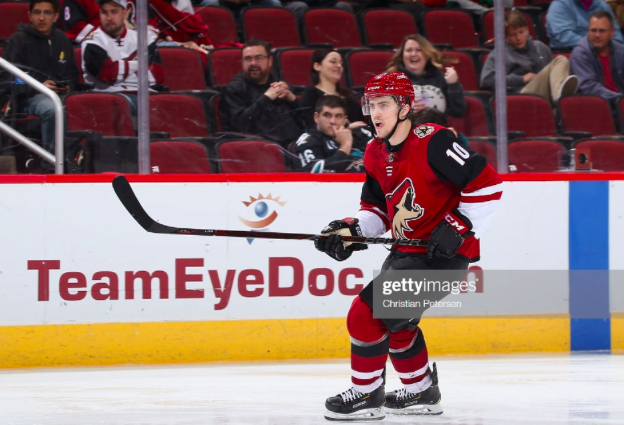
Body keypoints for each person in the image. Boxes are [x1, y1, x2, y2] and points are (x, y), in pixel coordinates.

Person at [315, 71, 502, 421]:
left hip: (442, 259)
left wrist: (457, 226)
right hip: (406, 254)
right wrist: (350, 230)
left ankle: (368, 393)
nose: (375, 113)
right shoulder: (374, 151)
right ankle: (421, 392)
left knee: (365, 316)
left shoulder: (435, 141)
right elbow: (376, 210)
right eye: (371, 105)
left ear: (405, 107)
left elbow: (488, 185)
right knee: (397, 324)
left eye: (384, 105)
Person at [0, 0, 79, 171]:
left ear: (56, 16)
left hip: (59, 94)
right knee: (51, 107)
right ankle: (52, 166)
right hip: (25, 98)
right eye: (37, 12)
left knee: (80, 105)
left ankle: (76, 162)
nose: (41, 18)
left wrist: (65, 86)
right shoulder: (18, 40)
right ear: (29, 15)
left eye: (47, 13)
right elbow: (6, 77)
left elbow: (73, 74)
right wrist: (37, 85)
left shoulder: (62, 39)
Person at [81, 0, 165, 114]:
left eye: (114, 12)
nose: (109, 18)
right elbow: (107, 74)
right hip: (109, 97)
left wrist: (119, 66)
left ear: (125, 13)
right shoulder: (92, 42)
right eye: (104, 12)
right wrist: (140, 65)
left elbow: (157, 75)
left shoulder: (144, 39)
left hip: (145, 95)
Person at [220, 39, 304, 148]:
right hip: (258, 148)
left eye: (258, 58)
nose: (253, 63)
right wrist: (266, 98)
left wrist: (293, 100)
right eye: (248, 59)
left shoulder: (280, 85)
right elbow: (239, 126)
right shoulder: (234, 89)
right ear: (242, 62)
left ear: (270, 61)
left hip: (293, 146)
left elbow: (304, 122)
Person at [480, 10, 579, 103]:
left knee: (562, 60)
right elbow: (487, 80)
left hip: (545, 91)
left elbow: (552, 75)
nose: (518, 38)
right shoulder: (499, 54)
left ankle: (559, 100)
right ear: (506, 37)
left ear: (527, 30)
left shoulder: (540, 47)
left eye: (521, 32)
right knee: (560, 60)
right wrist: (522, 78)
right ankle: (561, 101)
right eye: (513, 35)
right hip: (520, 94)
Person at [386, 34, 467, 119]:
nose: (413, 54)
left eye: (419, 50)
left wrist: (453, 85)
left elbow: (458, 112)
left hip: (436, 129)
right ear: (402, 56)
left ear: (427, 55)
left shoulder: (441, 78)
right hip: (403, 130)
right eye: (409, 50)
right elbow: (380, 111)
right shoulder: (390, 78)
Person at [293, 95, 372, 173]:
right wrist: (345, 145)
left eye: (338, 116)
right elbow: (316, 173)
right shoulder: (308, 141)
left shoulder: (359, 133)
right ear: (316, 117)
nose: (333, 121)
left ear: (344, 120)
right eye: (327, 115)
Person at [300, 49, 365, 130]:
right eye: (333, 62)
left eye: (341, 63)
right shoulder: (310, 93)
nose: (339, 66)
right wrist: (348, 128)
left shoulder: (348, 95)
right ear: (317, 66)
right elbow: (313, 127)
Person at [570, 11, 624, 103]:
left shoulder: (620, 50)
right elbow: (589, 87)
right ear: (588, 31)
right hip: (597, 106)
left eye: (602, 31)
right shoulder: (580, 54)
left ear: (612, 32)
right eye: (593, 30)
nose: (597, 35)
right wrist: (620, 98)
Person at [546, 0, 623, 49]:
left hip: (605, 51)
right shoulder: (559, 5)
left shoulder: (602, 5)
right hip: (572, 52)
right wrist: (597, 45)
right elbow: (565, 37)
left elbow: (616, 34)